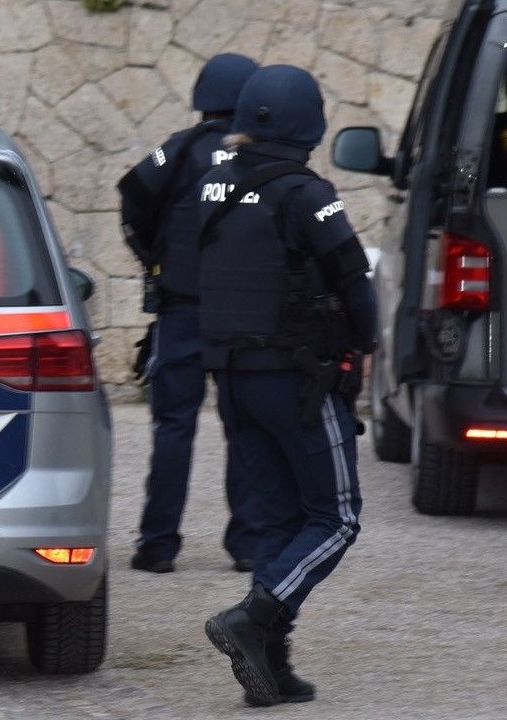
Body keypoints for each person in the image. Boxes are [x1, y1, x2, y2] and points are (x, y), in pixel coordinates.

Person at [195, 65, 377, 707]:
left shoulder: (213, 184)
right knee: (337, 516)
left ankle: (270, 667)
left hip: (233, 379)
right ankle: (256, 614)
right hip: (298, 380)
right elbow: (353, 275)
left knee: (275, 519)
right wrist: (369, 342)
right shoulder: (309, 192)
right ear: (310, 124)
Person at [117, 53, 263, 574]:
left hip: (181, 312)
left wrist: (154, 259)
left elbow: (132, 198)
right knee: (244, 428)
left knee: (173, 429)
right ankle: (247, 545)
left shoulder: (180, 150)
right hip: (244, 319)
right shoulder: (263, 158)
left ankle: (157, 547)